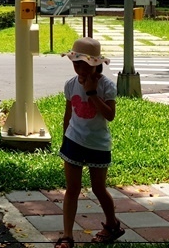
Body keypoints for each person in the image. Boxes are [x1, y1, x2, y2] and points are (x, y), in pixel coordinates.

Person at [55, 37, 125, 248]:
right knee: (72, 189)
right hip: (73, 141)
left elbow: (110, 115)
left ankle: (112, 225)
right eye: (76, 64)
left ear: (96, 65)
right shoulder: (70, 85)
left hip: (98, 144)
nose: (80, 69)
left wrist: (92, 93)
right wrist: (64, 138)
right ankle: (67, 236)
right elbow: (69, 115)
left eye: (85, 64)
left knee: (98, 188)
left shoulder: (106, 86)